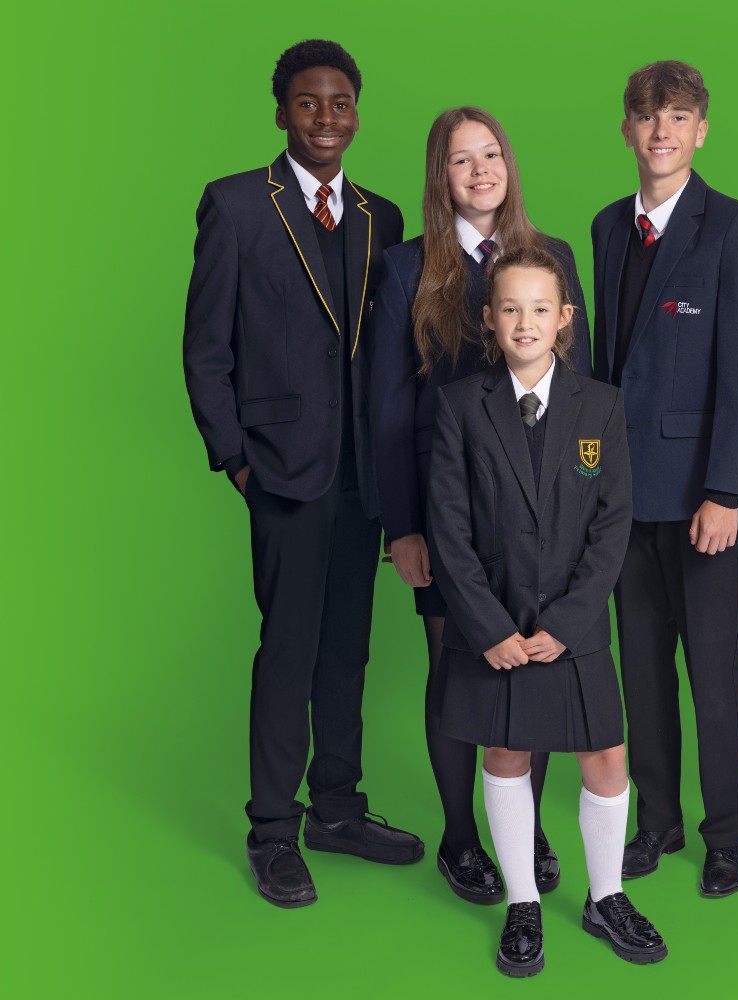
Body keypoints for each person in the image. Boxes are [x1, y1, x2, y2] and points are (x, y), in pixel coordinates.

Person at [182, 39, 423, 909]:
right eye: (311, 103)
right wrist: (237, 463)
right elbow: (206, 352)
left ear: (358, 112)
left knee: (348, 651)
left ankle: (338, 809)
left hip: (362, 478)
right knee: (287, 651)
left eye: (343, 102)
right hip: (281, 473)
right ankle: (273, 832)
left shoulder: (380, 217)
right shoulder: (240, 206)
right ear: (282, 111)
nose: (329, 117)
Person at [370, 107, 592, 904]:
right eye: (461, 160)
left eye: (490, 153)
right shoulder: (405, 269)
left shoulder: (554, 257)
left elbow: (583, 400)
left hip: (541, 514)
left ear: (509, 163)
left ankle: (522, 835)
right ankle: (461, 840)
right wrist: (404, 525)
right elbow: (389, 406)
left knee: (533, 669)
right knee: (455, 670)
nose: (480, 170)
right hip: (448, 511)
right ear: (441, 176)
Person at [427, 247, 666, 976]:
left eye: (539, 308)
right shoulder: (461, 407)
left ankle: (606, 896)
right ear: (488, 320)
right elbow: (450, 527)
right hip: (493, 624)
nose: (524, 322)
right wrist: (491, 628)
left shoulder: (602, 406)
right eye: (509, 308)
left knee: (606, 757)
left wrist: (564, 623)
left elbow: (612, 525)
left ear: (564, 319)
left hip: (574, 626)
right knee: (505, 753)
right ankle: (523, 903)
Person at [591, 60, 738, 896]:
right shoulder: (603, 229)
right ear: (626, 129)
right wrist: (590, 477)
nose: (660, 131)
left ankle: (726, 832)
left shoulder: (734, 228)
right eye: (646, 116)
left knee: (714, 669)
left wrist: (726, 491)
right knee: (641, 667)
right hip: (622, 497)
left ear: (701, 130)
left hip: (702, 497)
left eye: (677, 116)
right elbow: (601, 371)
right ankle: (657, 820)